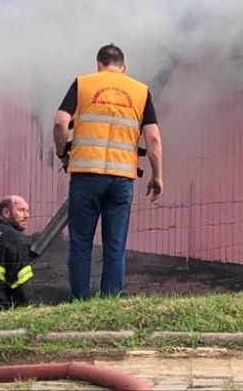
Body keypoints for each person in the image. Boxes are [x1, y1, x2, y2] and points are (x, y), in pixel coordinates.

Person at [53, 43, 163, 300]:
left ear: (99, 65)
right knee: (115, 244)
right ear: (123, 68)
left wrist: (62, 154)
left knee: (81, 242)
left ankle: (79, 300)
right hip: (122, 178)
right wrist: (157, 175)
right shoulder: (140, 91)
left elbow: (60, 122)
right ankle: (110, 300)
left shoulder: (82, 84)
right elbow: (154, 138)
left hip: (85, 174)